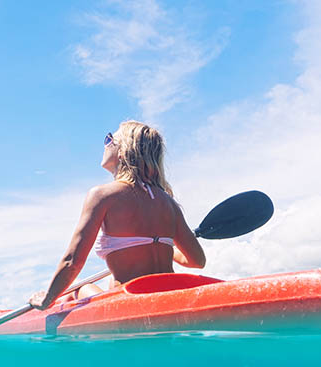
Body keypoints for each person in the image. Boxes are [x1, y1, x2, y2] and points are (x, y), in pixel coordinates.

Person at [28, 120, 206, 310]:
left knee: (78, 288)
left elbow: (72, 262)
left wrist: (47, 298)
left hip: (129, 303)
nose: (105, 144)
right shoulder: (169, 203)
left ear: (123, 150)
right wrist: (158, 246)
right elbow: (197, 261)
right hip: (169, 298)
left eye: (108, 139)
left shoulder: (103, 196)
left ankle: (57, 315)